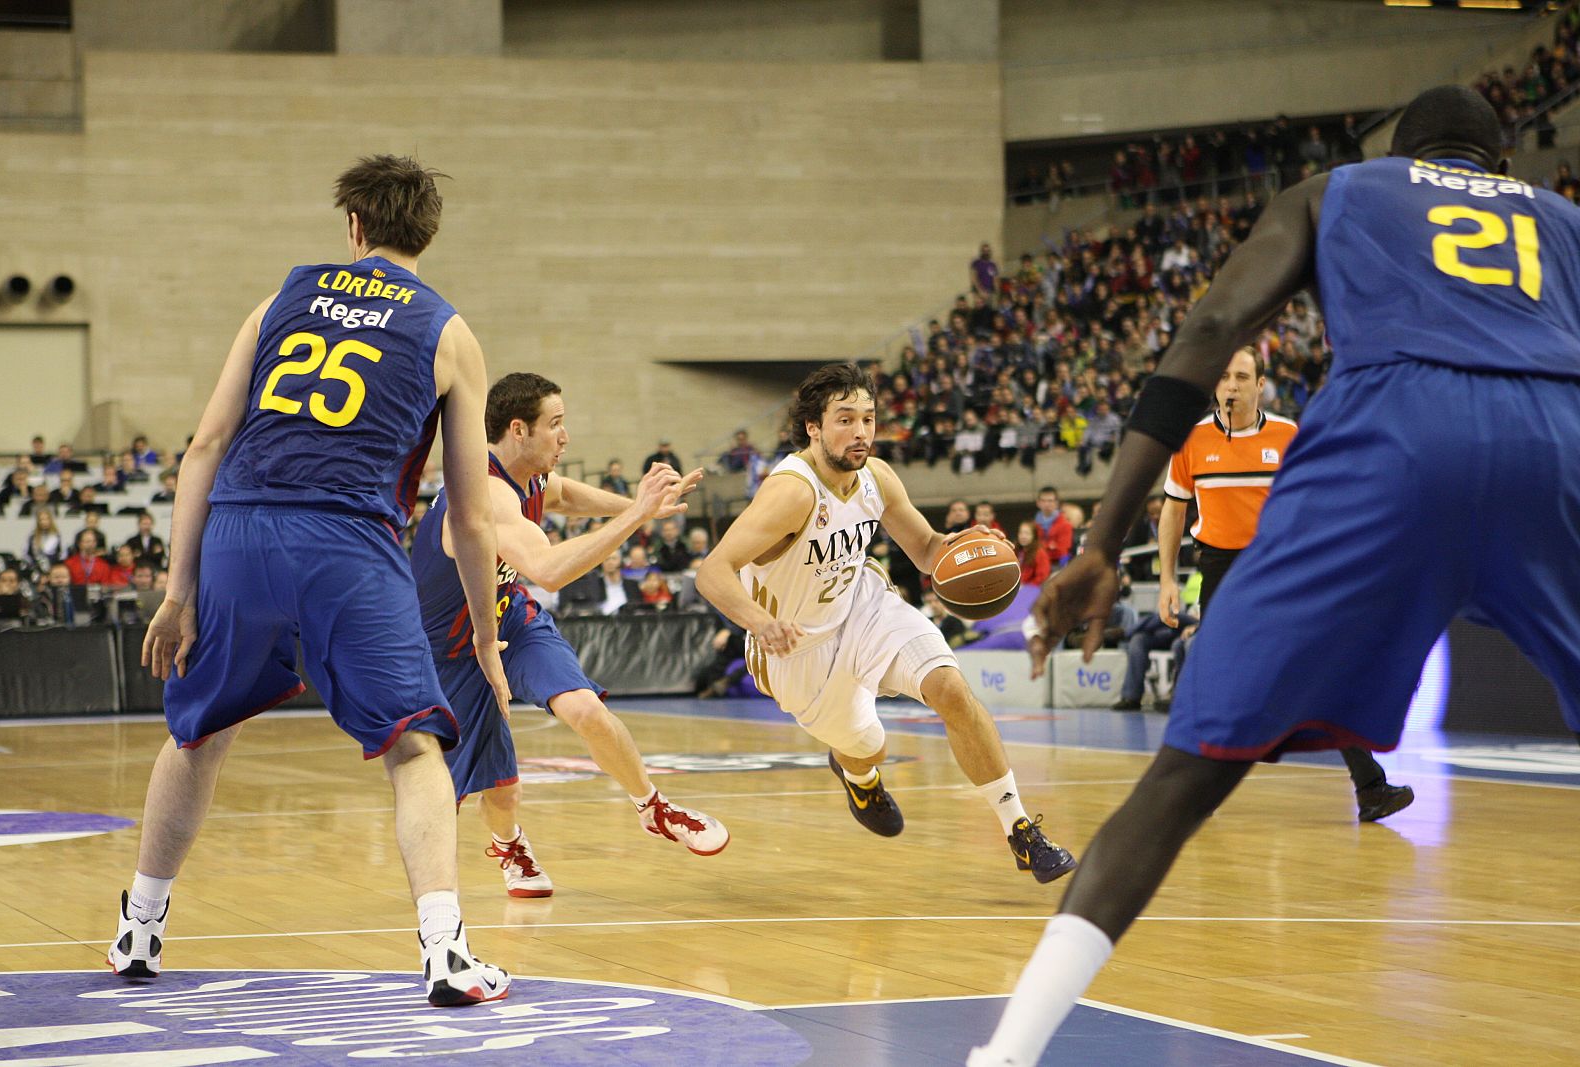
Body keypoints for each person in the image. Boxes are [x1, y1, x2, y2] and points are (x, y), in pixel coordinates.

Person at [971, 86, 1580, 1064]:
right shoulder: (1562, 221)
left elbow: (1211, 326)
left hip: (1394, 431)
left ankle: (1004, 1054)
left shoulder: (1336, 189)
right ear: (1501, 164)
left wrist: (1101, 539)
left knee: (1184, 775)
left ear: (1400, 154)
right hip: (1559, 436)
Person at [108, 155, 513, 1007]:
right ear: (426, 233)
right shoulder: (449, 333)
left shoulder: (279, 301)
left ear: (354, 228)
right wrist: (481, 630)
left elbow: (203, 449)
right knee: (412, 745)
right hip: (346, 544)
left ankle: (139, 928)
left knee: (197, 733)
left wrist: (178, 592)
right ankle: (444, 949)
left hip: (240, 533)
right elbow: (471, 516)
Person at [697, 363, 1076, 883]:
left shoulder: (876, 477)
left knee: (951, 689)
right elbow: (712, 571)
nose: (860, 432)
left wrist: (968, 545)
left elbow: (925, 550)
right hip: (796, 648)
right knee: (867, 746)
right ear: (813, 426)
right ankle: (860, 775)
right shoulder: (792, 492)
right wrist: (760, 622)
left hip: (863, 604)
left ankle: (1020, 831)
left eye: (868, 419)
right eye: (845, 419)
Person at [411, 371, 727, 899]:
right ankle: (510, 844)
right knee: (502, 790)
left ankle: (653, 808)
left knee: (586, 709)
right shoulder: (483, 494)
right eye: (555, 425)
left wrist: (634, 507)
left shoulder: (530, 477)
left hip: (509, 617)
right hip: (452, 646)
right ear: (519, 430)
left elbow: (563, 495)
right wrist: (638, 517)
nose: (565, 436)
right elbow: (549, 570)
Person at [1155, 347, 1413, 820]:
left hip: (1281, 566)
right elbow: (1174, 510)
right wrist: (1167, 579)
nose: (1231, 385)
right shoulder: (1190, 442)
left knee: (1323, 673)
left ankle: (1371, 788)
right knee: (1218, 683)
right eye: (1224, 377)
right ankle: (1191, 790)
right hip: (1219, 569)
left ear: (1261, 385)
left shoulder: (1287, 435)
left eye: (1242, 377)